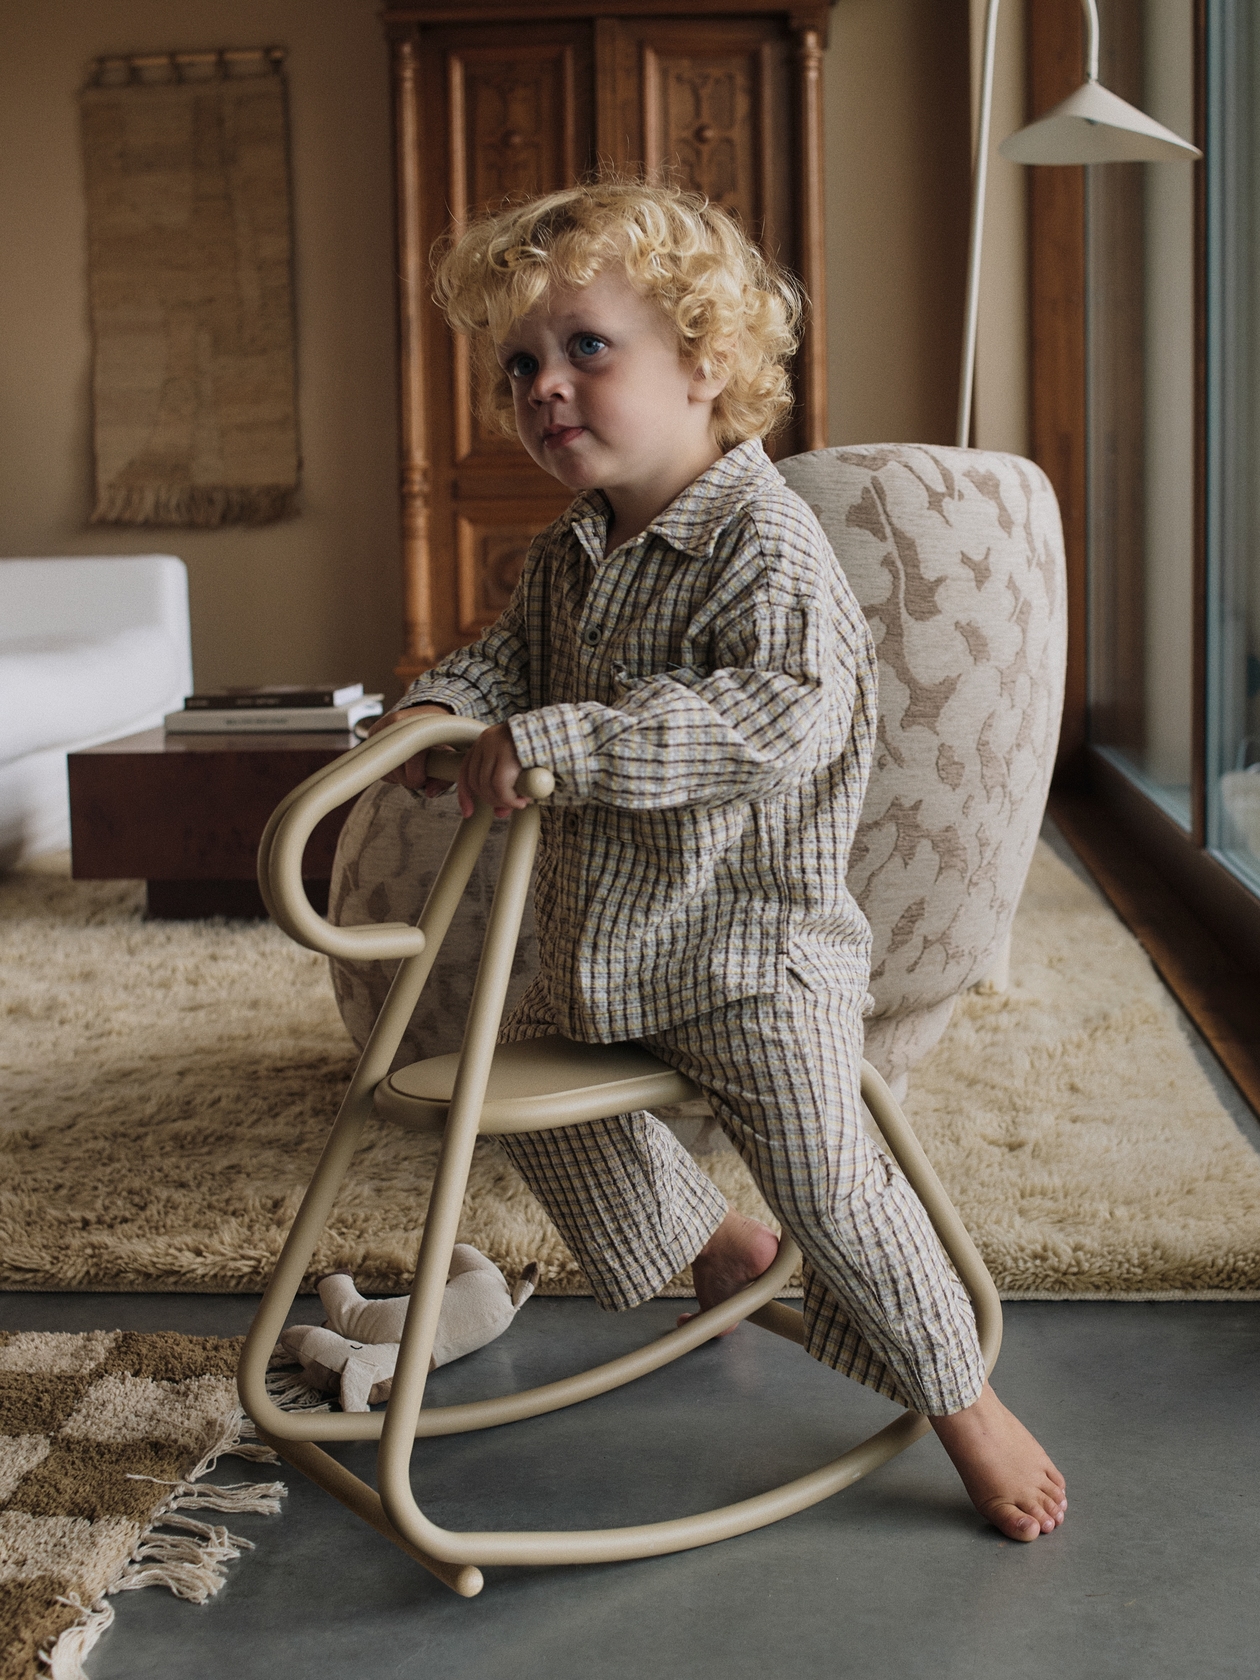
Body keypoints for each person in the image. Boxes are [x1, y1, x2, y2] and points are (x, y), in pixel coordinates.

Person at [372, 178, 1066, 1542]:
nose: (544, 387)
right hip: (601, 944)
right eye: (520, 365)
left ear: (704, 365)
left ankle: (959, 1393)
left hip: (750, 950)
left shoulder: (769, 549)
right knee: (515, 1097)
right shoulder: (568, 557)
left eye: (586, 347)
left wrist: (557, 742)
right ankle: (718, 1248)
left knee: (826, 1172)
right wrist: (440, 704)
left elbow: (763, 719)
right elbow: (513, 662)